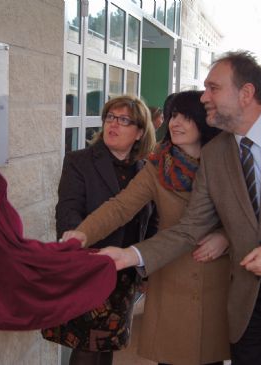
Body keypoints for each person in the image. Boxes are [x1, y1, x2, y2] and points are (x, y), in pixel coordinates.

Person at [95, 51, 261, 365]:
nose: (205, 96)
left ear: (246, 93)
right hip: (249, 296)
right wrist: (130, 255)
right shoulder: (215, 153)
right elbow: (190, 227)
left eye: (213, 88)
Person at [63, 91, 230, 365]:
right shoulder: (157, 167)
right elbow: (120, 206)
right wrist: (84, 232)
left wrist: (225, 237)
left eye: (186, 117)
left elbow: (249, 216)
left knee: (209, 357)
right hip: (171, 271)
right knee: (172, 354)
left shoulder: (226, 164)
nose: (175, 123)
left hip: (214, 277)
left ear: (204, 122)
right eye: (173, 115)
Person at [41, 95, 157, 365]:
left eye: (124, 120)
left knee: (108, 344)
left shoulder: (146, 170)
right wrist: (82, 254)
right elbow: (67, 212)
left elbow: (152, 220)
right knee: (86, 345)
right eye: (110, 118)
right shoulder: (79, 161)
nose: (113, 124)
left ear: (139, 132)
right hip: (89, 268)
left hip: (125, 274)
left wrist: (147, 265)